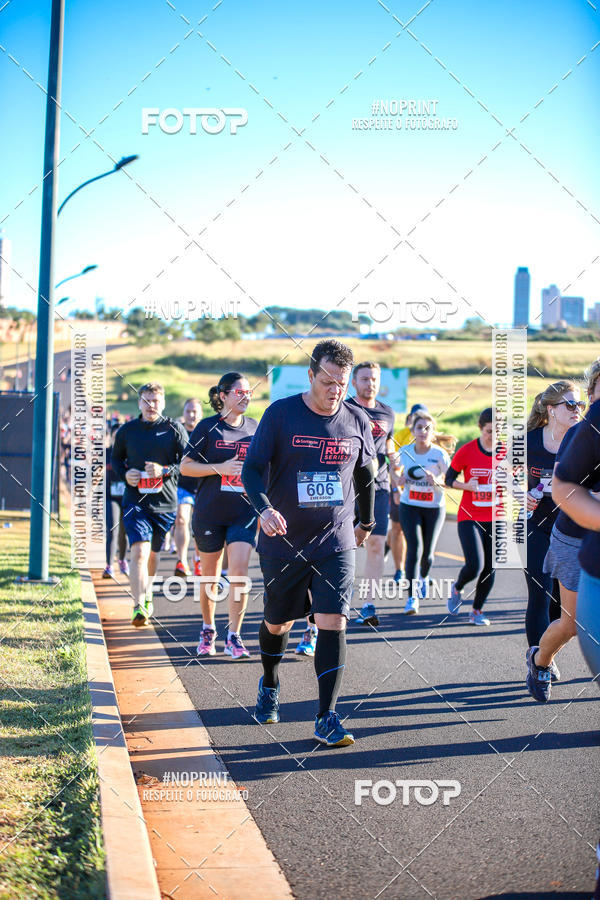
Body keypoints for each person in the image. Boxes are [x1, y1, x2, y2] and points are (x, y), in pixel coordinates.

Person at [242, 339, 376, 747]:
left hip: (334, 540)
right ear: (311, 376)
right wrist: (263, 509)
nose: (335, 389)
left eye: (342, 381)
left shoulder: (357, 420)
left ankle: (326, 716)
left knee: (332, 620)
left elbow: (366, 473)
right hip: (283, 540)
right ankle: (269, 682)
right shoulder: (281, 414)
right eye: (328, 380)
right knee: (277, 622)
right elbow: (252, 469)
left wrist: (366, 521)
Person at [526, 362, 600, 701]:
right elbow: (562, 485)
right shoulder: (580, 432)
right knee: (571, 624)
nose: (580, 410)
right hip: (571, 536)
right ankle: (540, 659)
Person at [180, 373, 258, 660]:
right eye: (239, 392)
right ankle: (208, 629)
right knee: (209, 577)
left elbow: (263, 466)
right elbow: (185, 467)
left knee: (239, 572)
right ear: (223, 395)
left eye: (249, 391)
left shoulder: (255, 428)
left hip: (244, 512)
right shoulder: (207, 427)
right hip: (210, 512)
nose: (245, 396)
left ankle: (234, 636)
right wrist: (219, 468)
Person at [111, 382, 189, 626]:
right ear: (139, 403)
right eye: (145, 400)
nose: (150, 405)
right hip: (135, 502)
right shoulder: (127, 431)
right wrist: (126, 474)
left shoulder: (174, 430)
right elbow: (115, 459)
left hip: (164, 504)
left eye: (155, 401)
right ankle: (138, 605)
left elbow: (186, 465)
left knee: (153, 556)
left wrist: (163, 470)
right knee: (139, 552)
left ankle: (147, 595)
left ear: (162, 403)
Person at [523, 381, 582, 657]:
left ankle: (546, 656)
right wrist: (520, 494)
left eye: (580, 404)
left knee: (559, 605)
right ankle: (537, 661)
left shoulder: (586, 439)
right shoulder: (529, 440)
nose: (577, 410)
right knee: (539, 593)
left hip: (571, 530)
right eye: (570, 404)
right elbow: (504, 475)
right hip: (537, 525)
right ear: (551, 409)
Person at [346, 361, 398, 627]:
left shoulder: (387, 413)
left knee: (376, 544)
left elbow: (388, 445)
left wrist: (395, 459)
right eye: (364, 379)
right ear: (354, 382)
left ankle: (368, 604)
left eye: (374, 379)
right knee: (342, 546)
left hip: (378, 487)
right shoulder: (345, 408)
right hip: (346, 487)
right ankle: (336, 600)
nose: (370, 384)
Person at [445, 407, 499, 625]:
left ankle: (477, 611)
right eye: (489, 431)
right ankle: (457, 587)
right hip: (469, 516)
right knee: (475, 565)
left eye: (498, 431)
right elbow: (448, 479)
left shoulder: (506, 453)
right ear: (480, 428)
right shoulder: (467, 451)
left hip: (496, 516)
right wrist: (467, 485)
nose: (493, 436)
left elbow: (515, 481)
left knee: (491, 566)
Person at [395, 411, 450, 614]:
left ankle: (424, 576)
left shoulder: (439, 455)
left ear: (433, 432)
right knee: (414, 549)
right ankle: (412, 598)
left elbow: (449, 480)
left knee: (428, 554)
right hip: (409, 505)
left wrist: (435, 481)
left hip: (434, 508)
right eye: (419, 427)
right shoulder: (406, 451)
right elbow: (394, 470)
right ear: (413, 430)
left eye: (428, 428)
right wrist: (397, 482)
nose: (423, 431)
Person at [173, 398, 203, 579]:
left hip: (203, 486)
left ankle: (198, 559)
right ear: (183, 413)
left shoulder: (208, 430)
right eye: (188, 411)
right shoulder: (177, 432)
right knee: (181, 519)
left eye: (195, 412)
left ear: (200, 414)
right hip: (182, 485)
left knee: (199, 526)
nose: (191, 415)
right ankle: (182, 561)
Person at [103, 422, 129, 579]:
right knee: (112, 530)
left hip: (128, 497)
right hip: (110, 496)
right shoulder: (106, 453)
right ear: (112, 437)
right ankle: (108, 565)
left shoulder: (132, 454)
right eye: (116, 436)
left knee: (124, 532)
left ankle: (122, 560)